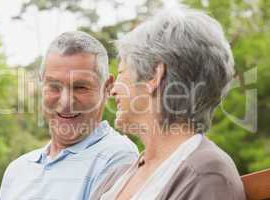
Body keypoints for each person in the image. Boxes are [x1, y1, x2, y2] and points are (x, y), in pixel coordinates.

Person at [98, 4, 246, 200]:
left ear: (154, 76)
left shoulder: (207, 175)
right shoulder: (119, 175)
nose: (113, 90)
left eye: (122, 74)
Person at [0, 31, 138, 200]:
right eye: (54, 86)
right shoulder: (17, 170)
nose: (65, 102)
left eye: (80, 87)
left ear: (107, 87)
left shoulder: (117, 157)